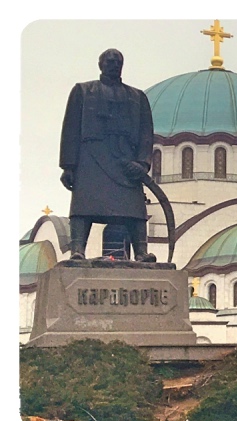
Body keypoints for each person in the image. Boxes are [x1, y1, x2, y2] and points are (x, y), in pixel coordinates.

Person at [59, 48, 156, 262]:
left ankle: (141, 252)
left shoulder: (137, 96)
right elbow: (71, 129)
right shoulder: (83, 91)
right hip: (91, 157)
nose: (113, 64)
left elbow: (145, 133)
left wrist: (142, 163)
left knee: (134, 208)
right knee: (84, 206)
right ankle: (78, 250)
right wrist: (68, 166)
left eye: (118, 61)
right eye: (109, 61)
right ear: (100, 64)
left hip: (125, 159)